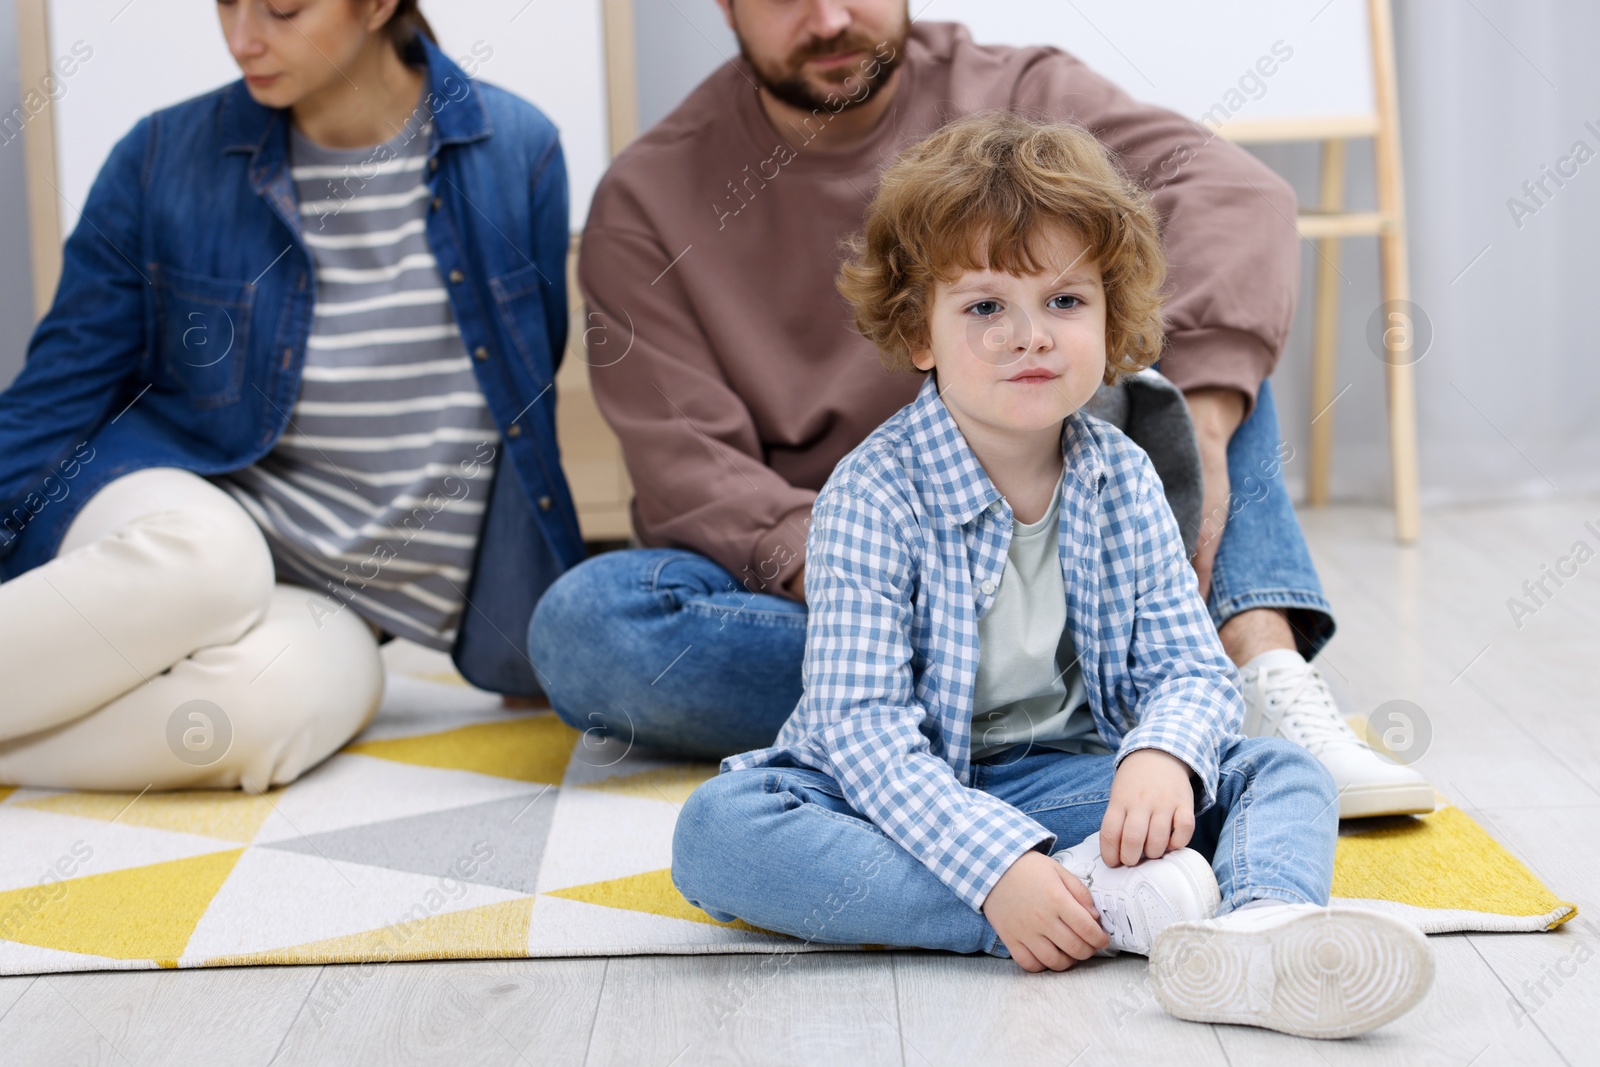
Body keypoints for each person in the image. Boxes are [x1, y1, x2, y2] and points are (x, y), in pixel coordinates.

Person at [529, 0, 1431, 818]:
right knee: (589, 627)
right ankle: (1017, 717)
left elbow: (1237, 195)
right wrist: (888, 590)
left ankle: (1255, 671)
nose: (830, 16)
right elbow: (690, 467)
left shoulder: (1022, 93)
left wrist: (1195, 428)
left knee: (1193, 359)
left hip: (1070, 537)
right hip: (857, 580)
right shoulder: (648, 200)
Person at [672, 113, 1434, 1038]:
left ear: (1112, 321)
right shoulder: (871, 495)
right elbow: (860, 733)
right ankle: (1086, 907)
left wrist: (1161, 754)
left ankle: (1260, 932)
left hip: (1069, 779)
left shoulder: (1125, 473)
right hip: (899, 791)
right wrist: (996, 871)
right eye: (985, 307)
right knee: (719, 829)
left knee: (1277, 769)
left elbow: (1192, 670)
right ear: (920, 332)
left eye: (1066, 302)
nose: (1030, 336)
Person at [0, 0, 582, 792]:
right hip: (179, 507)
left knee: (258, 719)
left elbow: (524, 408)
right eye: (226, 4)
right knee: (217, 558)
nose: (243, 39)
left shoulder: (517, 152)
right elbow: (52, 400)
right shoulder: (161, 156)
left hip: (343, 601)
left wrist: (528, 607)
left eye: (280, 8)